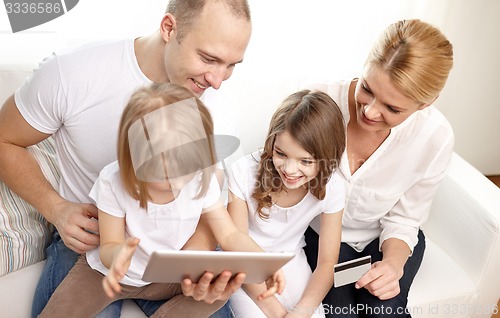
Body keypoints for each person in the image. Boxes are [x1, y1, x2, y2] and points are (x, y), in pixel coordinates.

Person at [0, 0, 252, 316]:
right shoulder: (74, 73)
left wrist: (192, 260)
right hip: (94, 239)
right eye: (209, 59)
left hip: (174, 244)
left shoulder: (217, 101)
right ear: (169, 28)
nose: (217, 80)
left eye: (231, 65)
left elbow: (209, 196)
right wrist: (57, 208)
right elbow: (4, 138)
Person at [38, 83, 284, 318]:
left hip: (166, 277)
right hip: (108, 275)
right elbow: (110, 244)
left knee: (220, 290)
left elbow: (229, 235)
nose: (179, 177)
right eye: (164, 168)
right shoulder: (113, 181)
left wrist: (265, 265)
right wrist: (117, 256)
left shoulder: (201, 177)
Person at [302, 19, 454, 317]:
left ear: (427, 103)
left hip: (386, 240)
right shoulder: (317, 104)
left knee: (386, 309)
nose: (370, 111)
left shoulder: (434, 137)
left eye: (393, 108)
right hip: (320, 237)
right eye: (367, 88)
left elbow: (405, 219)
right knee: (342, 311)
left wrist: (392, 265)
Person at [226, 90, 346, 318]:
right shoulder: (243, 172)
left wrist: (302, 311)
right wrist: (277, 312)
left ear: (327, 158)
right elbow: (236, 250)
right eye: (280, 153)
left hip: (292, 261)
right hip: (247, 267)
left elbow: (328, 262)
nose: (289, 170)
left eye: (305, 161)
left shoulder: (334, 187)